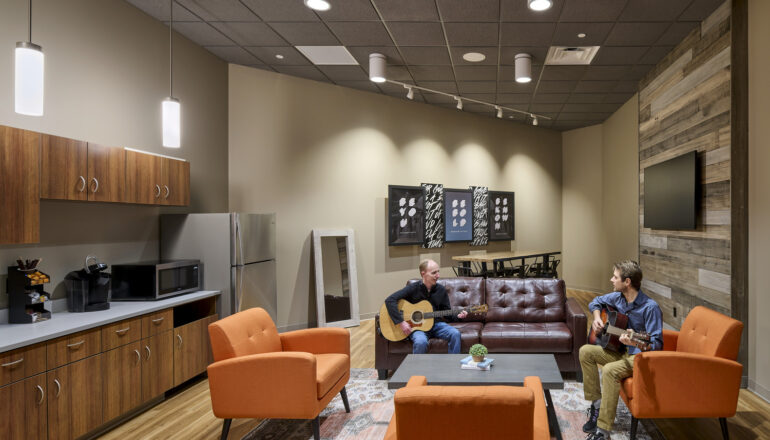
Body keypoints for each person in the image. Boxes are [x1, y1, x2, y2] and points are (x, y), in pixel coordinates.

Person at [579, 260, 663, 440]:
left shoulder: (650, 307)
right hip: (620, 351)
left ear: (627, 282)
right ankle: (597, 404)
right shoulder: (617, 298)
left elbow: (656, 344)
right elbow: (595, 303)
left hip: (639, 357)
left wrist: (635, 343)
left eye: (615, 277)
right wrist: (596, 319)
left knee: (609, 371)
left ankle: (603, 431)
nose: (611, 280)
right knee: (585, 351)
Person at [384, 259, 467, 354]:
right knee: (420, 342)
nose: (438, 276)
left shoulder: (441, 290)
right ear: (423, 274)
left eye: (438, 272)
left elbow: (447, 313)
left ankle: (452, 366)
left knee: (455, 334)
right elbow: (390, 300)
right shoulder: (413, 288)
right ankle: (419, 369)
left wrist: (458, 316)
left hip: (436, 325)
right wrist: (401, 322)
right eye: (434, 273)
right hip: (418, 328)